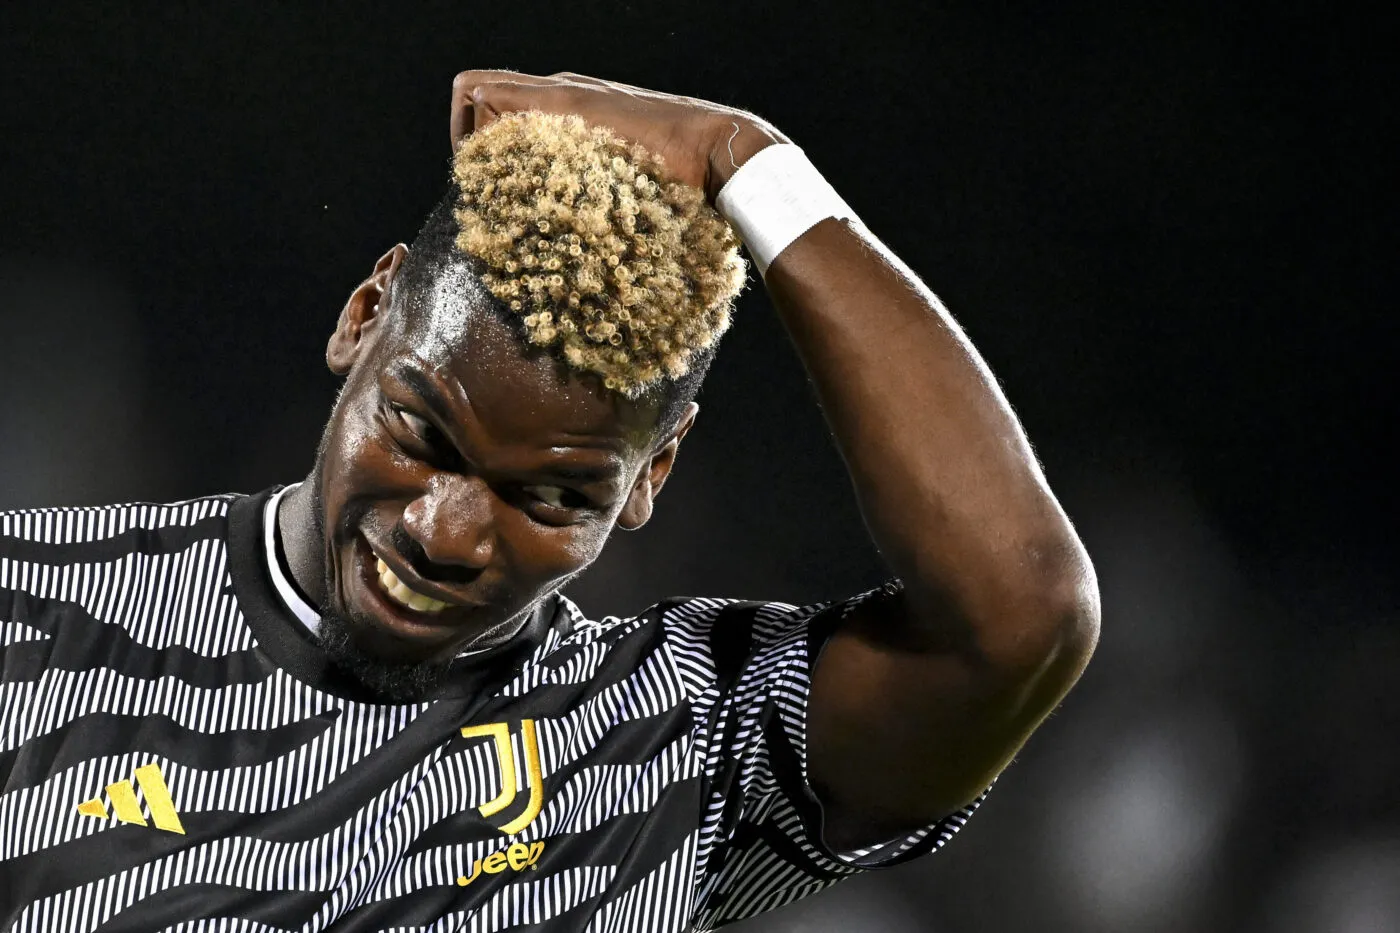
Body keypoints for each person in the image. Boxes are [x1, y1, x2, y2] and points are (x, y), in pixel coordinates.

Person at [0, 71, 1099, 932]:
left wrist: (750, 164)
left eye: (551, 495)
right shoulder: (31, 611)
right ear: (364, 313)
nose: (445, 532)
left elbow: (1020, 615)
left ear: (651, 475)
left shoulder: (670, 737)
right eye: (421, 435)